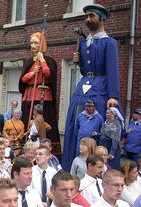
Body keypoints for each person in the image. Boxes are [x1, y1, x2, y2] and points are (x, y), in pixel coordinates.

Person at [62, 3, 122, 171]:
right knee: (75, 121)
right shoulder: (83, 43)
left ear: (101, 18)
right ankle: (72, 166)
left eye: (92, 16)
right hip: (84, 86)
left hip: (101, 88)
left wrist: (113, 95)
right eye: (86, 16)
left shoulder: (109, 43)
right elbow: (85, 70)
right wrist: (80, 64)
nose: (88, 19)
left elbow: (112, 70)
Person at [19, 32, 60, 150]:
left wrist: (42, 60)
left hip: (43, 97)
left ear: (42, 44)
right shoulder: (28, 61)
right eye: (31, 43)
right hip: (29, 97)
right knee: (28, 122)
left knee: (43, 123)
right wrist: (32, 73)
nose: (33, 45)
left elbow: (48, 74)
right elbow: (23, 79)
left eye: (36, 43)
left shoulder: (49, 60)